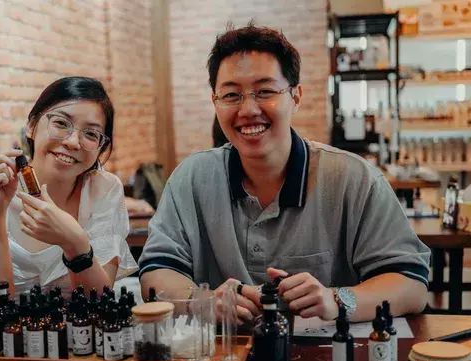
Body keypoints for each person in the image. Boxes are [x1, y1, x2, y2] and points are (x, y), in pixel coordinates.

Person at [138, 23, 430, 324]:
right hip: (224, 351)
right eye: (231, 95)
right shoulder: (190, 179)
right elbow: (155, 273)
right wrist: (204, 302)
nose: (248, 110)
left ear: (296, 96)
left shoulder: (354, 179)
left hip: (326, 351)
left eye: (265, 91)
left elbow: (411, 285)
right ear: (215, 103)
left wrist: (337, 299)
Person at [0, 77, 137, 300]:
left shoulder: (104, 190)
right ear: (32, 126)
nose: (72, 142)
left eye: (90, 134)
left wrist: (74, 242)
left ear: (101, 147)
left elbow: (98, 302)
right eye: (61, 123)